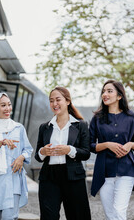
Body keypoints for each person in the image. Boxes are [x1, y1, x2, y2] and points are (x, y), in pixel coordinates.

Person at [89, 80, 134, 220]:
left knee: (119, 211)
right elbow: (89, 145)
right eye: (103, 91)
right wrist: (107, 144)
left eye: (109, 91)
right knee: (110, 214)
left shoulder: (131, 117)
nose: (104, 94)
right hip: (105, 170)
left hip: (126, 169)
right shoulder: (97, 118)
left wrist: (129, 145)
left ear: (119, 96)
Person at [35, 87, 91, 220]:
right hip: (49, 177)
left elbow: (86, 153)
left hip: (73, 177)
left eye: (58, 100)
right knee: (49, 216)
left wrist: (69, 150)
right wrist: (43, 151)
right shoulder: (45, 127)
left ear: (67, 101)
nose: (54, 104)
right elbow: (38, 156)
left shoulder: (81, 125)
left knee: (77, 216)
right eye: (51, 101)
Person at [0, 93, 33, 220]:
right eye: (3, 105)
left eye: (9, 104)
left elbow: (28, 149)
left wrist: (21, 157)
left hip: (13, 180)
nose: (8, 108)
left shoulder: (18, 128)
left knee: (10, 217)